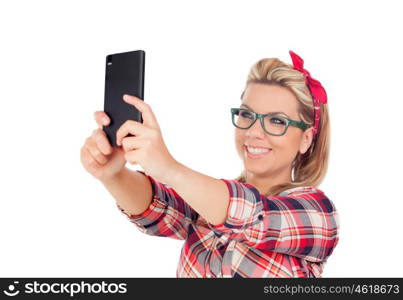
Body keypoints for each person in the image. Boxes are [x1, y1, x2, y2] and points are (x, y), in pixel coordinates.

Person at [80, 50, 339, 278]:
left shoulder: (318, 214)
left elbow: (252, 216)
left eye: (277, 121)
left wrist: (168, 166)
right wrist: (112, 174)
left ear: (306, 139)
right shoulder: (206, 203)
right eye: (247, 114)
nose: (254, 132)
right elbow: (159, 208)